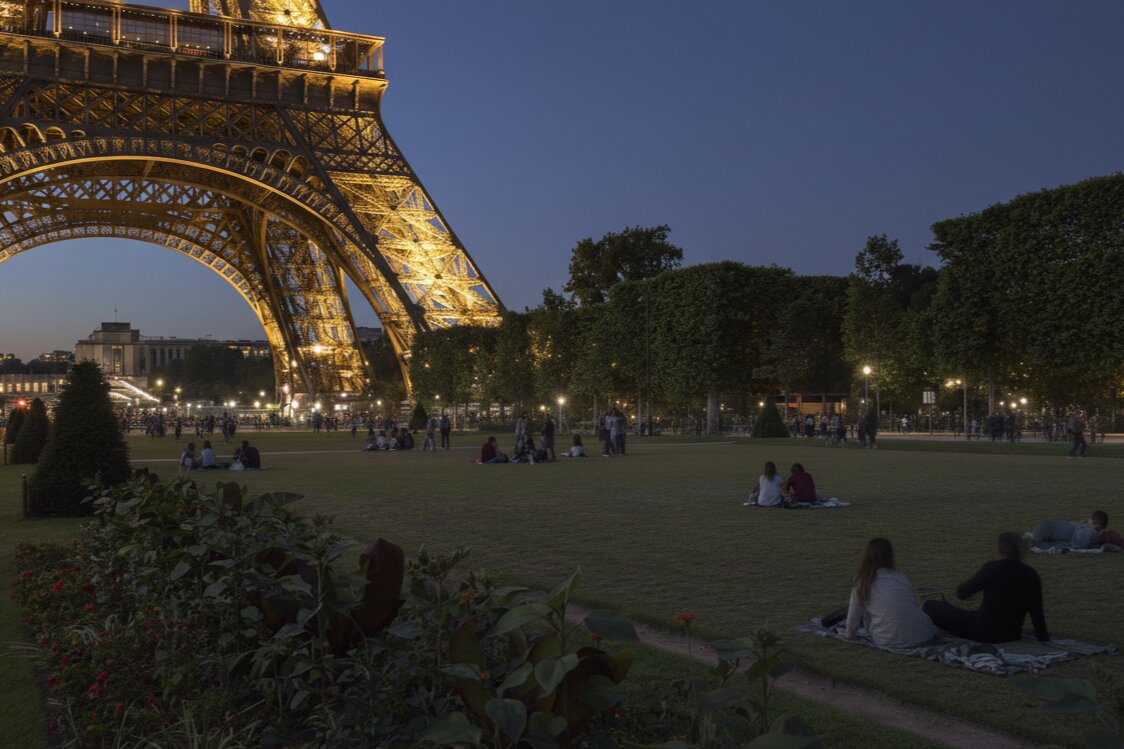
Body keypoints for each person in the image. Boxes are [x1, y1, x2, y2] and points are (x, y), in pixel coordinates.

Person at [922, 532, 1049, 643]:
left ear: (999, 549)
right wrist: (1043, 639)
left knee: (930, 606)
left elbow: (961, 593)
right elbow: (1037, 614)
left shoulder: (992, 568)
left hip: (982, 631)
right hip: (1012, 634)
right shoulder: (1031, 574)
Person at [844, 538, 934, 648]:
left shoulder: (862, 582)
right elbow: (911, 605)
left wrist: (849, 634)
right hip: (922, 635)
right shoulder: (900, 577)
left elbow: (853, 620)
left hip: (887, 640)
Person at [1033, 511, 1120, 550]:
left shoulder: (1087, 530)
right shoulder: (1088, 531)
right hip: (1043, 531)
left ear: (1094, 521)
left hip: (1042, 527)